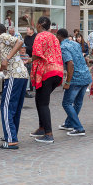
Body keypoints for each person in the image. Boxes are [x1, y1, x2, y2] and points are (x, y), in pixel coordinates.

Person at [0, 23, 29, 150]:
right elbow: (4, 66)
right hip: (21, 75)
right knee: (14, 108)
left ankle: (10, 140)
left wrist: (7, 58)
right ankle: (11, 135)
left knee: (5, 107)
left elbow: (20, 41)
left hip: (14, 76)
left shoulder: (2, 36)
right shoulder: (1, 43)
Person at [29, 16, 63, 144]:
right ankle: (42, 128)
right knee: (39, 99)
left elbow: (37, 54)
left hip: (46, 72)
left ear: (39, 25)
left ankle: (48, 134)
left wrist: (29, 59)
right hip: (57, 71)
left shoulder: (40, 36)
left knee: (43, 102)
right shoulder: (54, 36)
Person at [56, 28, 91, 136]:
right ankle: (69, 123)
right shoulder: (75, 44)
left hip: (76, 78)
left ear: (59, 36)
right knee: (78, 102)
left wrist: (67, 82)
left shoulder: (63, 47)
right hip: (86, 76)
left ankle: (78, 128)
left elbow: (70, 64)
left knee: (66, 103)